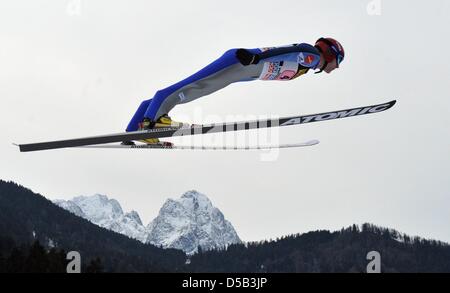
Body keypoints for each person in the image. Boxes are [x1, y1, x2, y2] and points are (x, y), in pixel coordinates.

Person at [123, 37, 345, 145]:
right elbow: (284, 51)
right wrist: (255, 57)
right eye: (338, 61)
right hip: (242, 62)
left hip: (243, 71)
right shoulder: (312, 56)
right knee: (191, 87)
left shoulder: (308, 65)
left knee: (195, 88)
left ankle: (133, 130)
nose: (336, 68)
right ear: (330, 54)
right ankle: (150, 124)